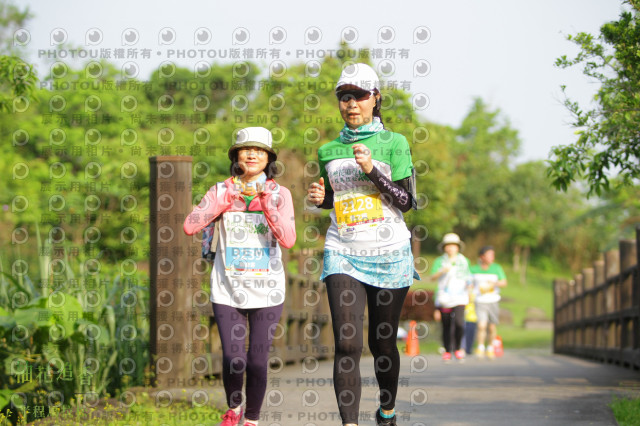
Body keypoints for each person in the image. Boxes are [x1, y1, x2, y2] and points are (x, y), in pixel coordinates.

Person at [307, 63, 417, 426]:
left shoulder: (395, 143)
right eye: (344, 96)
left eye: (360, 95)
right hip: (343, 251)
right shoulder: (328, 150)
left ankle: (387, 411)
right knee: (347, 344)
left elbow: (406, 202)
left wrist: (372, 170)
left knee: (381, 343)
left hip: (389, 253)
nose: (351, 103)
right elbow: (334, 198)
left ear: (376, 98)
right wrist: (321, 198)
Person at [183, 127, 296, 426]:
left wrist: (266, 203)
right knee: (234, 358)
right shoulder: (220, 190)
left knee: (257, 361)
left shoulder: (280, 194)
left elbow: (288, 239)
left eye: (259, 150)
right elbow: (190, 225)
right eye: (246, 149)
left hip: (268, 290)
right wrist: (223, 201)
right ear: (236, 156)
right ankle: (233, 408)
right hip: (227, 289)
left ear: (269, 158)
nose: (252, 155)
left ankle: (251, 420)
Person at [429, 233, 471, 362]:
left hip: (460, 297)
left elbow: (468, 277)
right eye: (448, 245)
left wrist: (470, 289)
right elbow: (432, 277)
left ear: (458, 247)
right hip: (445, 298)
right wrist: (442, 271)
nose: (450, 248)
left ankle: (458, 348)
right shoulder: (439, 261)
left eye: (453, 245)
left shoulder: (464, 261)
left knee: (459, 323)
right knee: (446, 324)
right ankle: (447, 350)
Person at [471, 246, 507, 359]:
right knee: (481, 325)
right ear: (482, 256)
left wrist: (494, 283)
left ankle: (490, 347)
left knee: (491, 326)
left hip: (493, 300)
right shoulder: (474, 269)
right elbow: (469, 284)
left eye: (493, 255)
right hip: (480, 300)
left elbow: (504, 282)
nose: (492, 257)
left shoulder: (497, 268)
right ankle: (480, 347)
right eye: (489, 255)